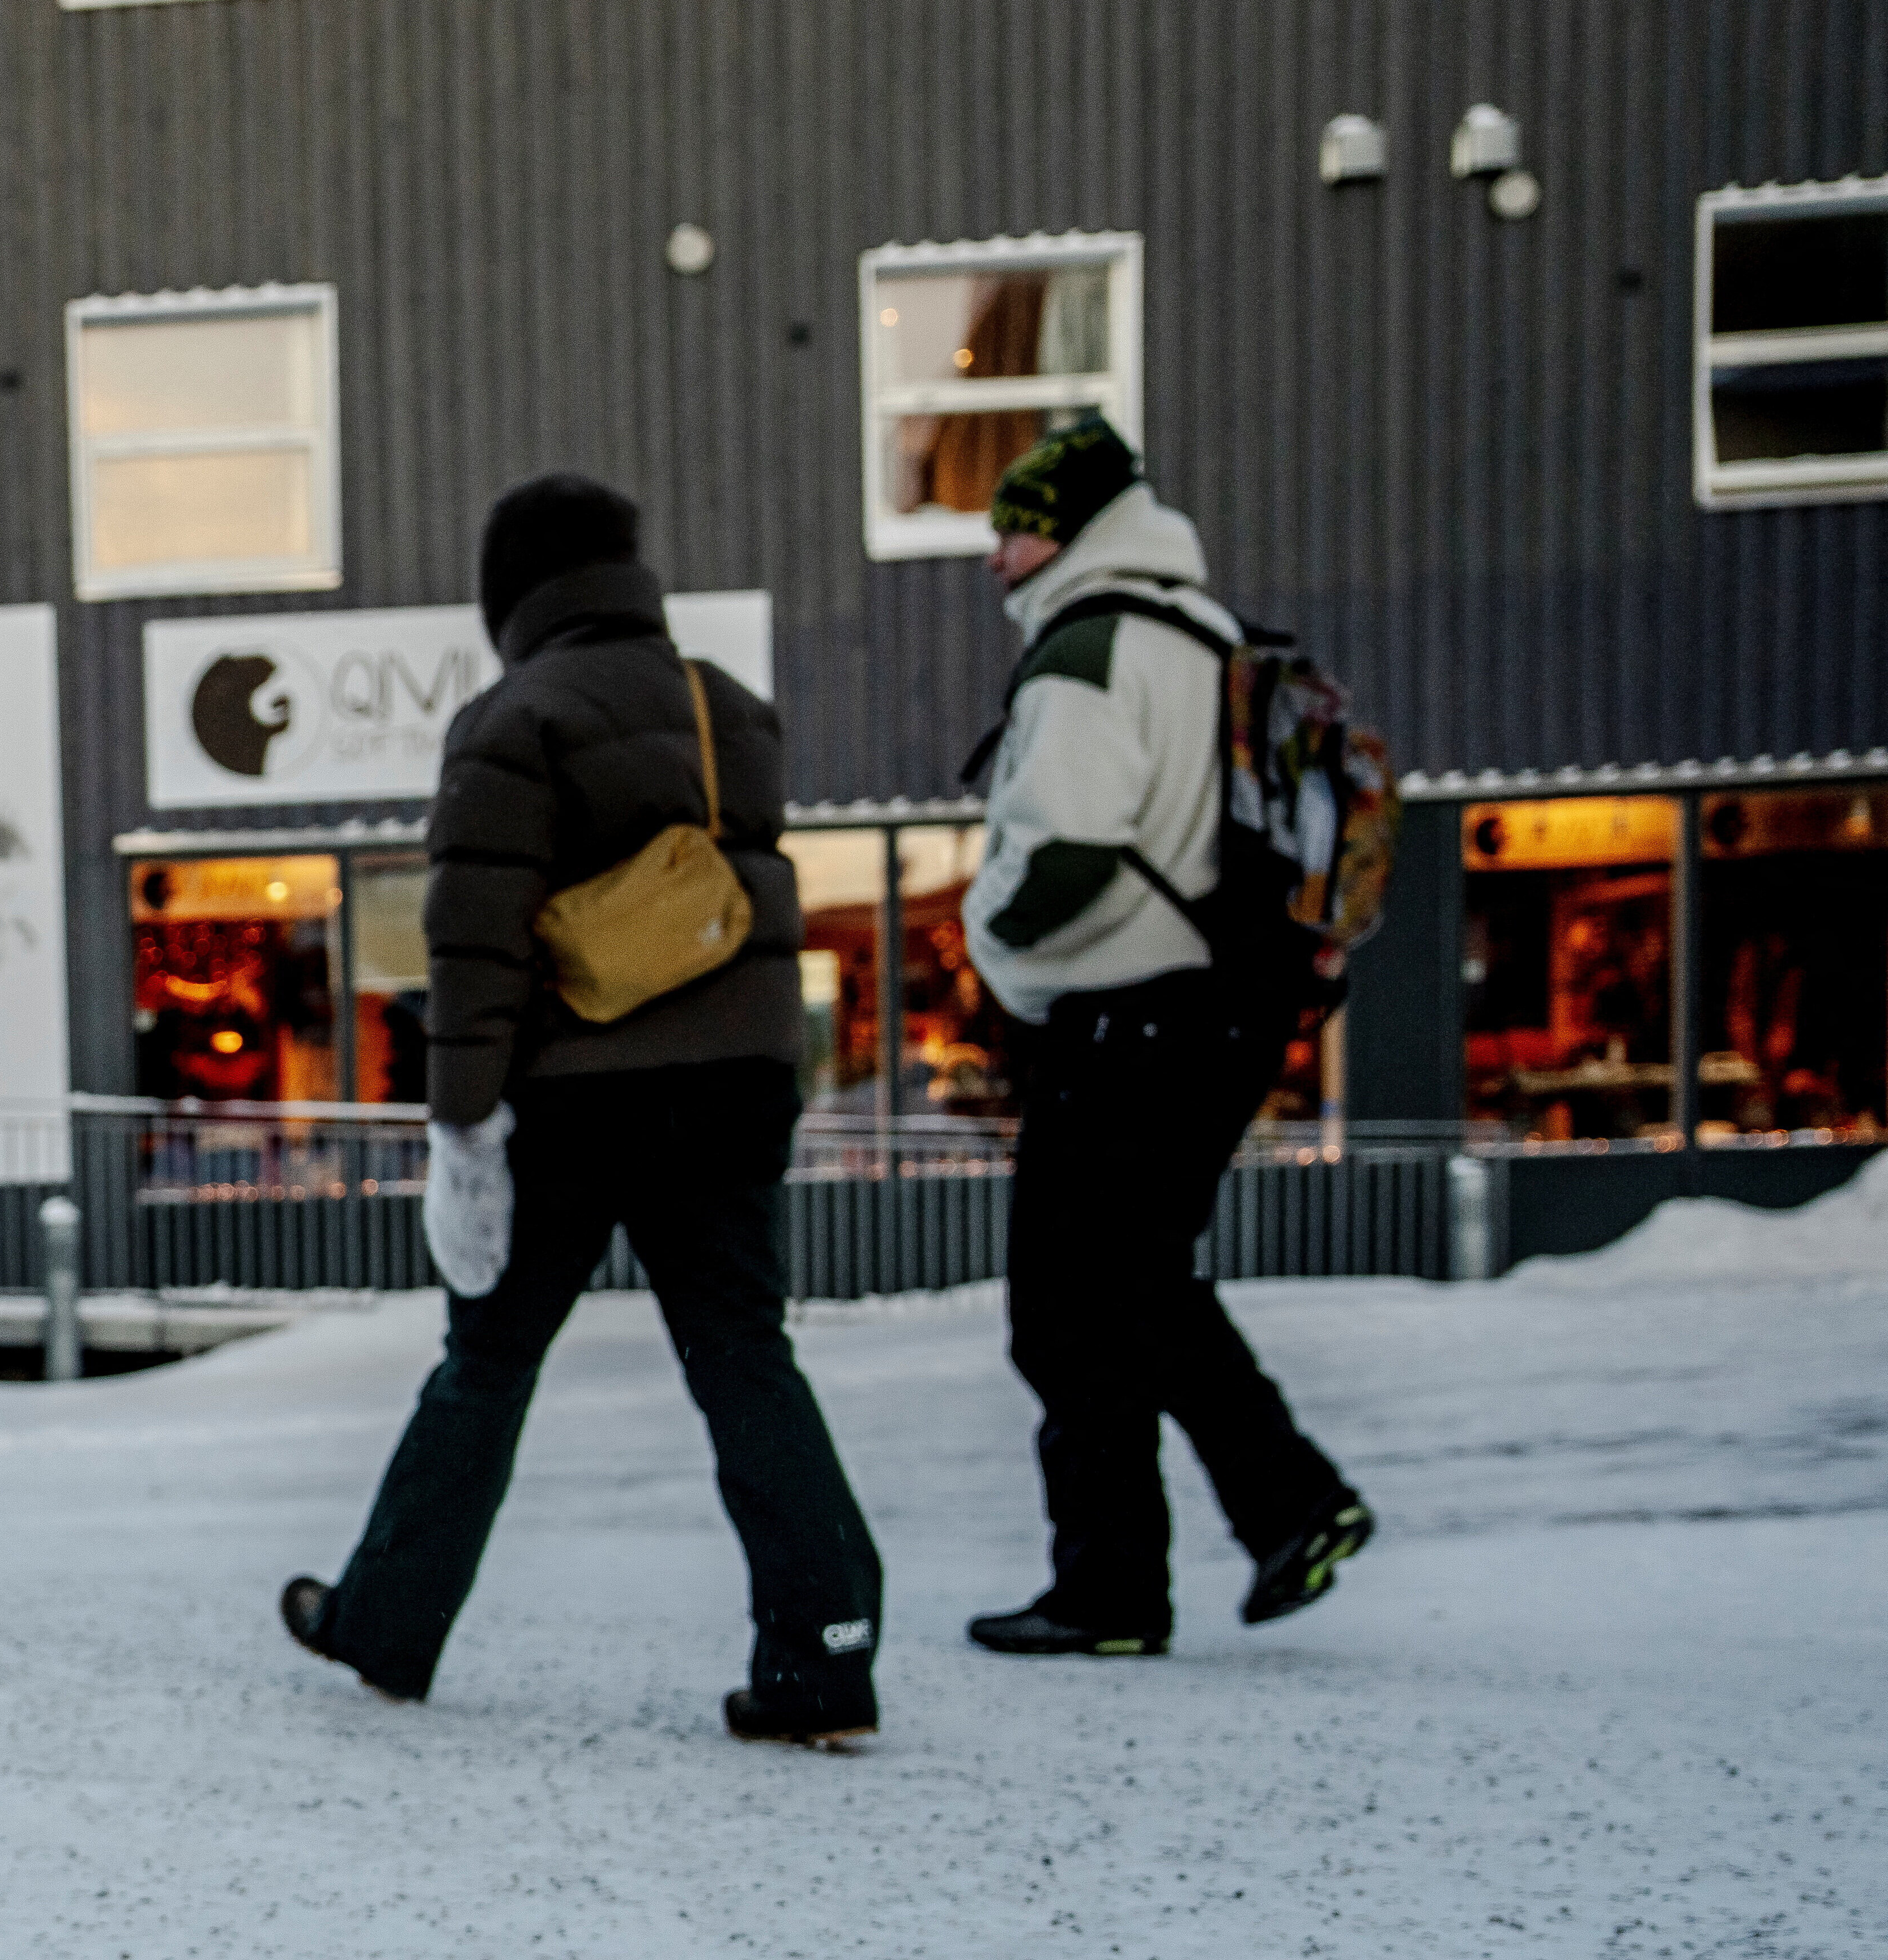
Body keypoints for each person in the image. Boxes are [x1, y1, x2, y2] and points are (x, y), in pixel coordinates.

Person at [280, 475, 887, 1745]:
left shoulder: (515, 718)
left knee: (486, 1368)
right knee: (743, 1357)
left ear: (513, 594)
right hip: (730, 1089)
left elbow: (476, 950)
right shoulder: (732, 713)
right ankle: (825, 1649)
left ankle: (388, 1625)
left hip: (576, 1098)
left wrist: (461, 1129)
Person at [954, 416, 1370, 1656]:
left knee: (1063, 1304)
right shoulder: (1213, 638)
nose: (998, 555)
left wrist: (996, 951)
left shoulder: (1091, 649)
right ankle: (1273, 1515)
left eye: (1019, 527)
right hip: (1227, 1010)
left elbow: (1066, 850)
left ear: (1077, 530)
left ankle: (1120, 1586)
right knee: (1136, 1282)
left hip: (1127, 1018)